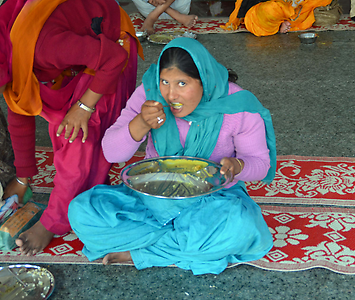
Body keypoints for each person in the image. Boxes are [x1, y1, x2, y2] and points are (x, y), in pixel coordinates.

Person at [68, 37, 277, 275]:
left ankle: (143, 251)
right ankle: (185, 242)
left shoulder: (236, 105)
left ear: (204, 81)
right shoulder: (149, 95)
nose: (170, 94)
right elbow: (112, 153)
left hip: (214, 202)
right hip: (151, 198)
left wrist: (237, 165)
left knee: (239, 226)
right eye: (165, 81)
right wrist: (140, 123)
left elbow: (260, 164)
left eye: (182, 83)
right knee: (81, 211)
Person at [0, 0, 143, 255]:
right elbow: (20, 106)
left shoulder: (45, 47)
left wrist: (83, 107)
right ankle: (86, 190)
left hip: (110, 43)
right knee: (73, 133)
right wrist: (23, 178)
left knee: (79, 135)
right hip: (81, 44)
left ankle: (54, 222)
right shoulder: (10, 51)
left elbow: (114, 58)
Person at [221, 0, 332, 36]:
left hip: (294, 10)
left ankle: (285, 21)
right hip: (261, 14)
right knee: (271, 9)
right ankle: (282, 22)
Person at [132, 0, 198, 35]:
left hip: (178, 5)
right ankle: (175, 14)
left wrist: (152, 17)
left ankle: (153, 15)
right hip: (148, 7)